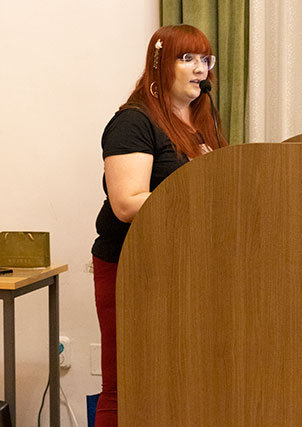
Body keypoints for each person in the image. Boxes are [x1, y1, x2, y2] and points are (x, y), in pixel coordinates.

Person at [90, 24, 226, 426]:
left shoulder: (202, 118)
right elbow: (127, 203)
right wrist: (193, 192)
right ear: (161, 64)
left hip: (185, 267)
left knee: (180, 380)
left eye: (205, 59)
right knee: (127, 383)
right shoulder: (133, 122)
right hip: (132, 266)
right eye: (188, 58)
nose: (200, 68)